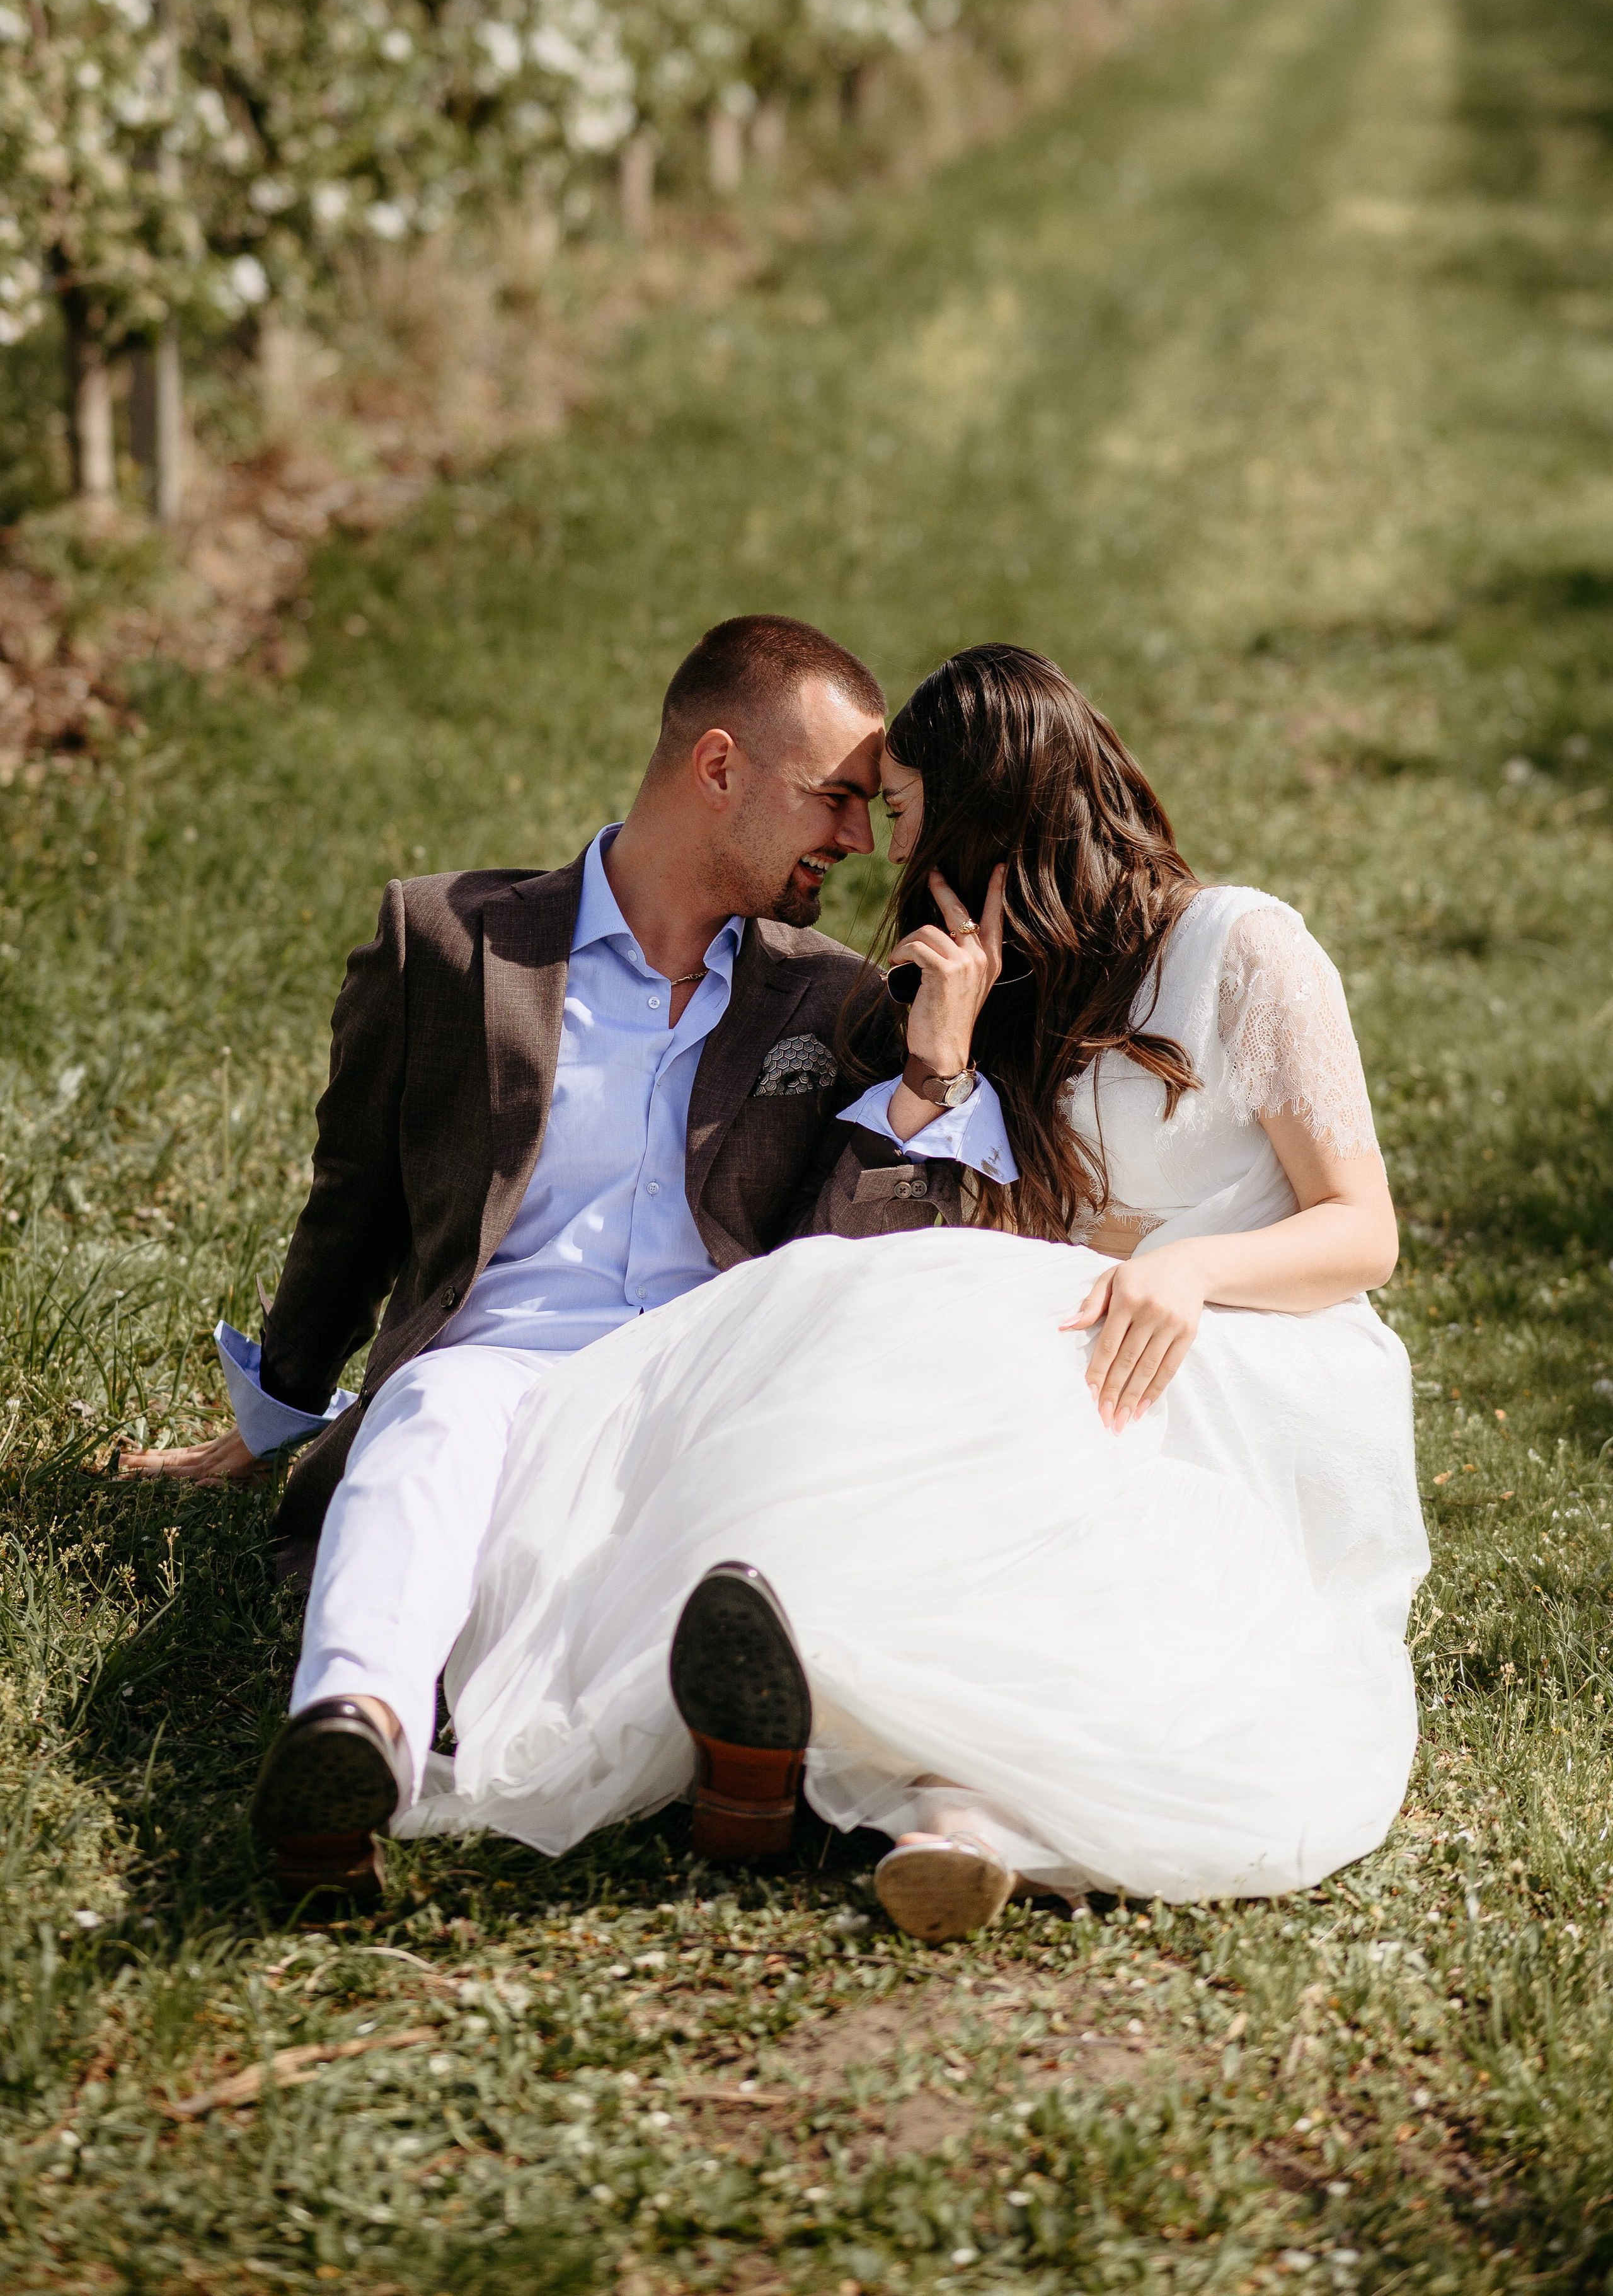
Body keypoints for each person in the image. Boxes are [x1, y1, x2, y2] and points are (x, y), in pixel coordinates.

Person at [398, 643, 1429, 1943]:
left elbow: (1362, 1234)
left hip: (1256, 1344)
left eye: (896, 808)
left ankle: (907, 1780)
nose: (881, 850)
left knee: (1019, 1437)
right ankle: (844, 1738)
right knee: (873, 1316)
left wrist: (1189, 1272)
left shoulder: (1241, 944)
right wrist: (943, 1059)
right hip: (1072, 1338)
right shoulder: (998, 994)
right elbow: (947, 1243)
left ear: (983, 805)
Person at [127, 614, 987, 1900]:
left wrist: (930, 1075)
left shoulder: (826, 997)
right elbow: (351, 1201)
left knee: (755, 1503)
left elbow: (840, 1261)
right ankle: (354, 1735)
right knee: (420, 1427)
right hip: (495, 1364)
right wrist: (271, 1419)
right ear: (717, 768)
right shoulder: (449, 941)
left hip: (706, 1368)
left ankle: (744, 1758)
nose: (859, 841)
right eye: (837, 800)